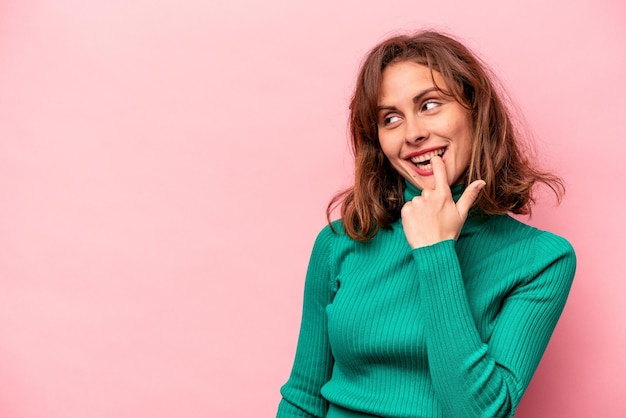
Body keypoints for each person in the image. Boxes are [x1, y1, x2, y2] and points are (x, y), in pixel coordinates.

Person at [276, 30, 576, 418]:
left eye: (430, 104)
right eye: (391, 118)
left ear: (474, 109)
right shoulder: (339, 243)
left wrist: (436, 252)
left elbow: (479, 413)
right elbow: (303, 397)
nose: (413, 133)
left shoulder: (542, 261)